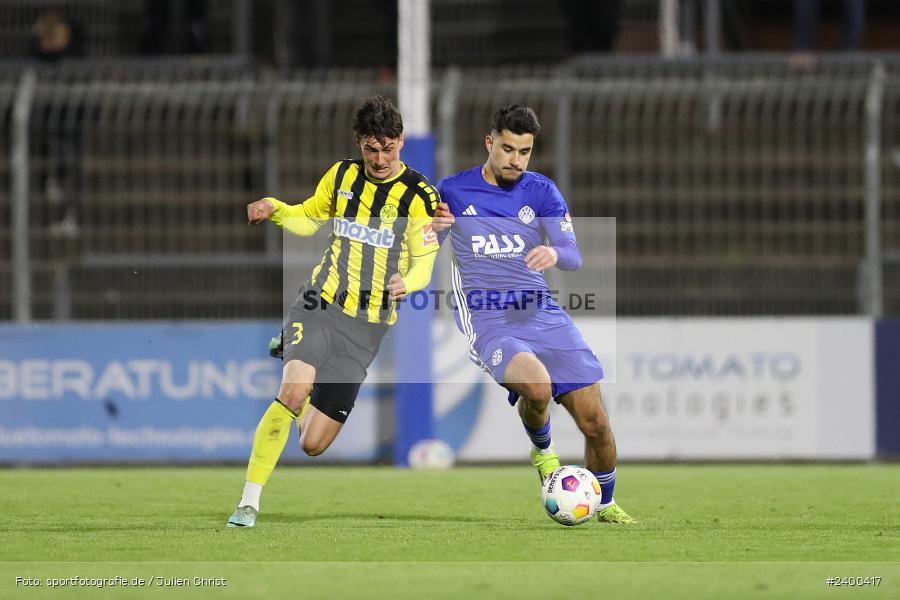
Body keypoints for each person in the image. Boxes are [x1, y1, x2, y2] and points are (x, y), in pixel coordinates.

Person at [228, 95, 440, 528]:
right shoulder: (341, 176)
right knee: (291, 391)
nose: (379, 159)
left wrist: (409, 283)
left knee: (313, 443)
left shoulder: (419, 195)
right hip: (319, 304)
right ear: (359, 142)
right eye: (370, 148)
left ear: (401, 142)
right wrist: (275, 209)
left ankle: (298, 374)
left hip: (366, 331)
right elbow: (308, 217)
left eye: (388, 148)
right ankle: (248, 502)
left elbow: (424, 262)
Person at [432, 105, 634, 524]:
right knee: (537, 388)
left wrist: (554, 251)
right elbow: (425, 245)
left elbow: (574, 256)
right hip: (487, 318)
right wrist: (431, 231)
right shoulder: (452, 190)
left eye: (524, 152)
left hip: (541, 312)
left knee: (595, 420)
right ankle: (544, 451)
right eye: (507, 149)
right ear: (490, 143)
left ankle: (607, 504)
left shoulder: (542, 191)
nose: (515, 160)